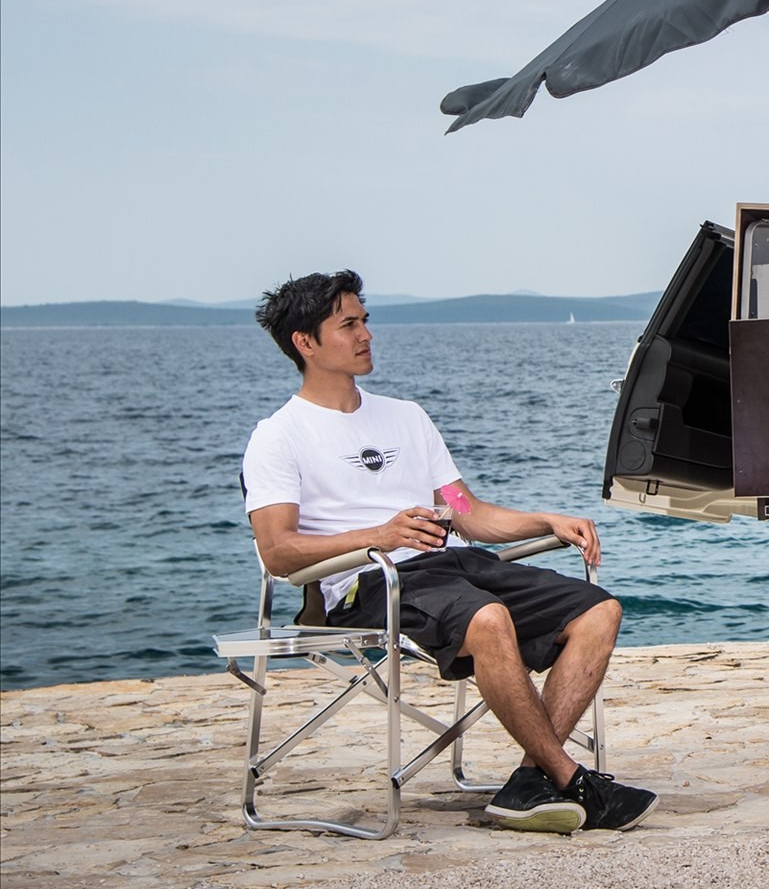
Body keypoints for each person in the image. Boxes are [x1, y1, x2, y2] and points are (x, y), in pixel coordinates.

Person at [242, 269, 656, 834]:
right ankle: (573, 781)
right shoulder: (278, 436)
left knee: (599, 610)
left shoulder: (407, 417)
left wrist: (545, 520)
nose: (366, 334)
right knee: (488, 619)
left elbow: (465, 510)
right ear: (305, 342)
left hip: (455, 566)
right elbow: (278, 551)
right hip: (371, 581)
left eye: (365, 321)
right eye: (349, 325)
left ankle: (530, 783)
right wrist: (377, 536)